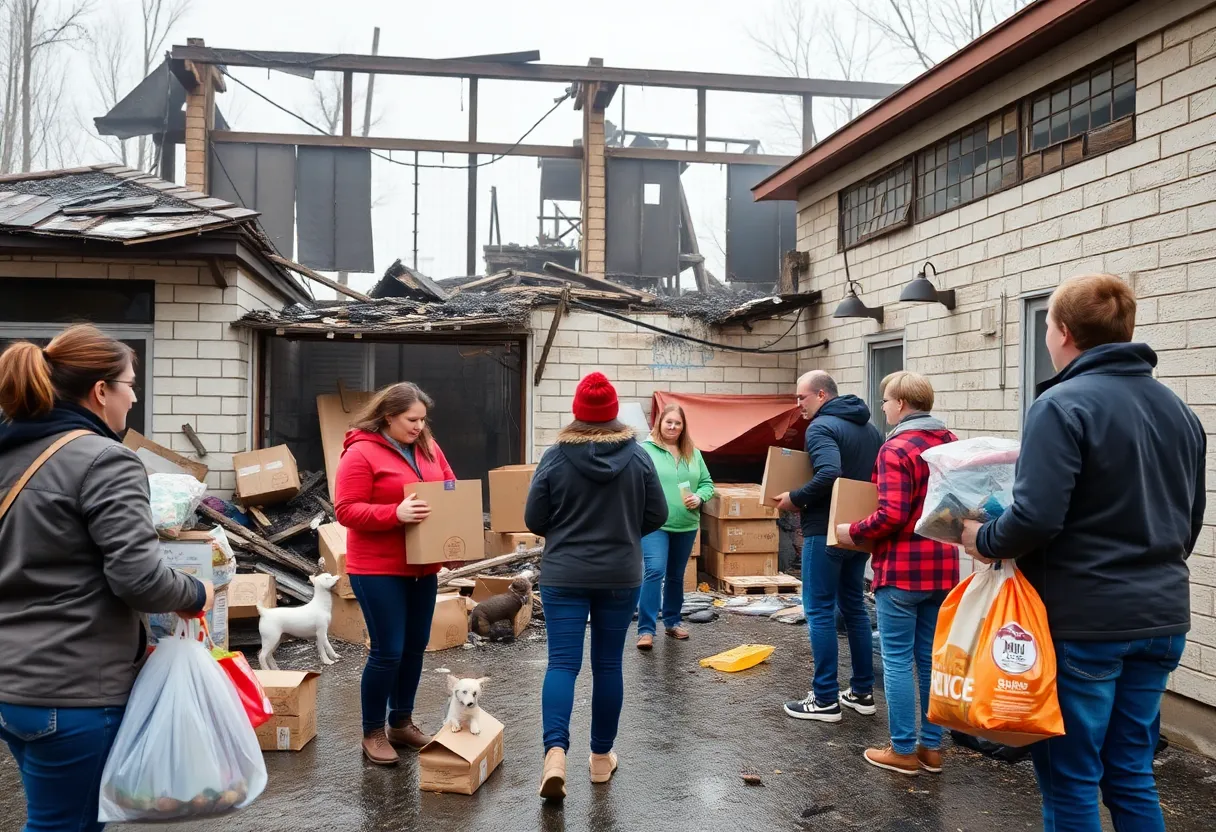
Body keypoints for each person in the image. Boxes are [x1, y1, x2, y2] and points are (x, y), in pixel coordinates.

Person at [961, 274, 1206, 832]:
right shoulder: (1180, 412)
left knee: (1071, 777)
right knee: (1130, 771)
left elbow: (1038, 517)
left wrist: (984, 539)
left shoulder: (1061, 405)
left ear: (1064, 332)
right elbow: (1188, 523)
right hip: (1162, 617)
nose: (1047, 335)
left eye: (1046, 324)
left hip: (1085, 624)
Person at [0, 324, 213, 832]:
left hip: (13, 686)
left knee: (57, 818)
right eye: (130, 384)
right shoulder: (103, 459)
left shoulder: (10, 452)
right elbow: (140, 581)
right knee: (65, 825)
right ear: (101, 391)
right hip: (74, 689)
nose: (133, 397)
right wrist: (195, 592)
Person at [524, 372, 667, 801]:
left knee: (562, 665)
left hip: (565, 575)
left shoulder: (555, 456)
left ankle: (554, 755)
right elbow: (656, 515)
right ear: (613, 414)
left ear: (577, 413)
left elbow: (534, 519)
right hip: (619, 576)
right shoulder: (638, 456)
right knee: (608, 666)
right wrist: (624, 532)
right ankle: (601, 759)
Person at [834, 371, 958, 776]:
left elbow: (891, 514)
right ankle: (932, 749)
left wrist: (849, 531)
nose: (883, 407)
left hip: (902, 571)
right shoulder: (950, 442)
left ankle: (902, 750)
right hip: (942, 569)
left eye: (886, 400)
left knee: (898, 660)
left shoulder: (896, 448)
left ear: (901, 404)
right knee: (930, 659)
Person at [335, 382, 457, 767]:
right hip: (378, 569)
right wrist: (394, 514)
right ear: (388, 416)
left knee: (415, 647)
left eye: (423, 419)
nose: (419, 426)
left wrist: (456, 540)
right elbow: (347, 510)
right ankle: (372, 731)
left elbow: (451, 490)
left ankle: (400, 723)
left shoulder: (429, 447)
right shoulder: (360, 453)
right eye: (411, 419)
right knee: (388, 651)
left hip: (422, 567)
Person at [775, 370, 882, 723]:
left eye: (801, 397)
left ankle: (824, 699)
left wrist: (794, 497)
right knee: (853, 606)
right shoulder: (870, 430)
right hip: (857, 531)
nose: (797, 404)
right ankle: (862, 691)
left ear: (821, 395)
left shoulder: (821, 427)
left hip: (825, 531)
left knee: (818, 609)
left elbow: (828, 473)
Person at [636, 404, 715, 648]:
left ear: (683, 427)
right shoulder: (644, 451)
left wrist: (700, 497)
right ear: (659, 423)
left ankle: (672, 621)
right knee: (654, 571)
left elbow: (707, 483)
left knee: (675, 576)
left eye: (677, 423)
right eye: (668, 421)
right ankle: (646, 630)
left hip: (686, 523)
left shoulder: (693, 452)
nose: (673, 426)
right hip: (654, 524)